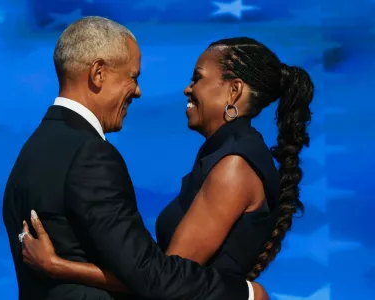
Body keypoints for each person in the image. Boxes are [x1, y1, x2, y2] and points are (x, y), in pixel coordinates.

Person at [20, 31, 314, 298]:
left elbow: (161, 282)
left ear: (234, 91)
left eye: (198, 78)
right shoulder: (224, 157)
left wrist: (57, 265)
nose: (188, 89)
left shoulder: (233, 166)